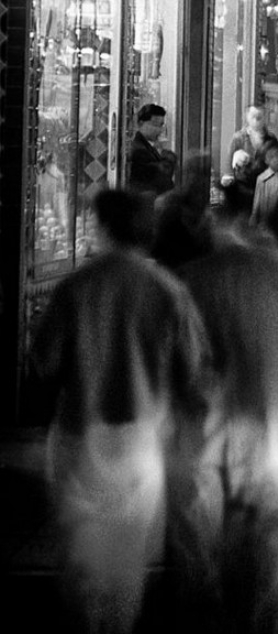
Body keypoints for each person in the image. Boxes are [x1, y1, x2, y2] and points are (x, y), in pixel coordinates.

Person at [30, 187, 210, 634]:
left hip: (80, 436)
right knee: (126, 571)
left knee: (80, 571)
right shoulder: (169, 291)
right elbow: (194, 373)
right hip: (142, 441)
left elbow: (44, 362)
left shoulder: (77, 286)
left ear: (103, 227)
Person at [168, 236, 278, 634]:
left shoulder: (197, 279)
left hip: (210, 441)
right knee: (269, 580)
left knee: (203, 575)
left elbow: (181, 366)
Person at [225, 105, 277, 213]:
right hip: (243, 186)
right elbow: (229, 161)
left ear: (264, 119)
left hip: (265, 188)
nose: (256, 121)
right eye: (253, 117)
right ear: (247, 117)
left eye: (259, 117)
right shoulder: (239, 137)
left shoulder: (271, 138)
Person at [128, 103, 176, 198]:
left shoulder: (150, 147)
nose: (159, 130)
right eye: (154, 125)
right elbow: (161, 174)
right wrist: (167, 157)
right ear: (141, 124)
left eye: (161, 125)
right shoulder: (139, 150)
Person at [250, 136, 278, 230]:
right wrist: (253, 221)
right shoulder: (262, 179)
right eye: (271, 157)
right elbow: (256, 205)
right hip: (266, 228)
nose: (276, 159)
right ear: (266, 160)